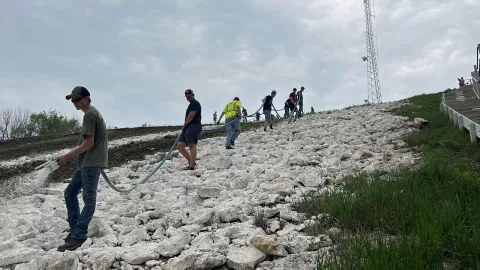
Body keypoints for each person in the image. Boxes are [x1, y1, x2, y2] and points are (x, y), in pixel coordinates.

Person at [57, 86, 108, 252]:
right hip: (87, 163)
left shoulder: (90, 115)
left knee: (89, 197)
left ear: (87, 98)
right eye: (73, 100)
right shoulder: (94, 113)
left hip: (91, 163)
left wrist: (66, 156)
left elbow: (89, 143)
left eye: (77, 99)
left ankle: (78, 235)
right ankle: (75, 229)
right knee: (70, 192)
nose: (74, 103)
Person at [178, 89, 202, 169]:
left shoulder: (195, 103)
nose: (188, 98)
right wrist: (185, 127)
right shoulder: (191, 104)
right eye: (186, 96)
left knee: (192, 145)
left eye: (189, 96)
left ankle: (191, 166)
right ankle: (191, 162)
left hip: (194, 126)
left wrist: (184, 125)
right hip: (187, 127)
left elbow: (191, 116)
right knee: (180, 145)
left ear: (193, 95)